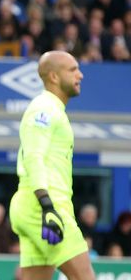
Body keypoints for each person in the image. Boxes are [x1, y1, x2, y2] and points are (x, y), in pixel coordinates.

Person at [9, 51, 95, 279]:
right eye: (73, 69)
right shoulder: (44, 108)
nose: (80, 75)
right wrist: (47, 206)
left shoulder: (53, 109)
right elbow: (33, 157)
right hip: (44, 205)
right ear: (54, 77)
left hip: (38, 205)